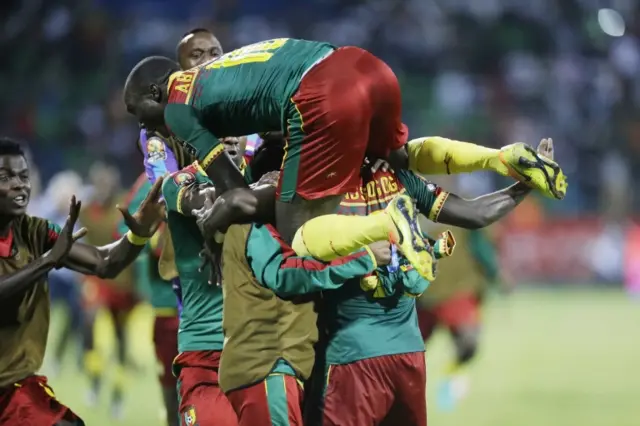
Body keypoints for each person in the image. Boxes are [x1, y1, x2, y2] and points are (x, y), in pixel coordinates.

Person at [123, 38, 567, 282]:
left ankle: (389, 225)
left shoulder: (178, 107)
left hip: (321, 97)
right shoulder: (224, 67)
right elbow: (469, 213)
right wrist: (520, 185)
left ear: (153, 93)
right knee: (398, 154)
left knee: (299, 230)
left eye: (136, 110)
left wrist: (212, 232)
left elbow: (233, 190)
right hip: (361, 63)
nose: (143, 125)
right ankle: (504, 157)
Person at [303, 138, 554, 426]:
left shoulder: (321, 185)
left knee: (467, 341)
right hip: (394, 349)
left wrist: (528, 182)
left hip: (360, 348)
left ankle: (452, 373)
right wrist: (528, 183)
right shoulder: (396, 180)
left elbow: (294, 263)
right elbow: (475, 213)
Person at [0, 137, 164, 426]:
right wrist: (47, 262)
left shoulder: (34, 231)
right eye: (5, 177)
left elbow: (103, 263)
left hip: (16, 388)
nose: (19, 185)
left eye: (23, 176)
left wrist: (138, 234)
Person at [118, 174, 180, 426]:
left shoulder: (220, 162)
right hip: (169, 304)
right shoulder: (154, 177)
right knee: (171, 379)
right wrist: (154, 238)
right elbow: (124, 229)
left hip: (221, 302)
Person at [78, 162, 138, 417]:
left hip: (123, 282)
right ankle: (94, 382)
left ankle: (117, 396)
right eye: (98, 183)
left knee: (120, 339)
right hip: (96, 279)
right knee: (90, 325)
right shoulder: (84, 211)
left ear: (113, 186)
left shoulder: (123, 206)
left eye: (107, 183)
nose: (102, 188)